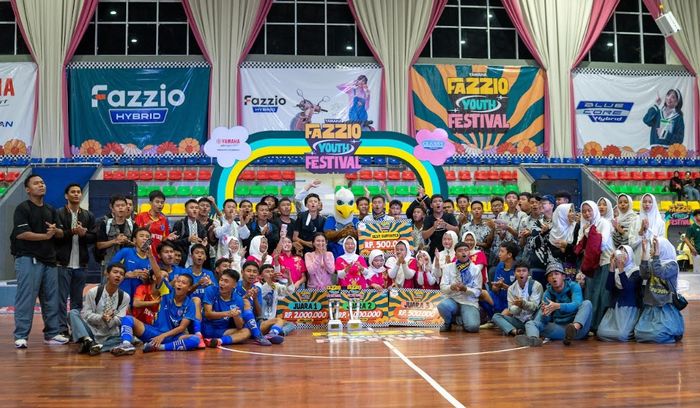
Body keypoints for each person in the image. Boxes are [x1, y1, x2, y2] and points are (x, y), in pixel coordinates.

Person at [11, 175, 67, 348]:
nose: (41, 185)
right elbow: (22, 234)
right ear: (27, 189)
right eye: (36, 183)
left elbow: (61, 233)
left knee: (51, 299)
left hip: (49, 260)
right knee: (26, 298)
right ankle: (21, 336)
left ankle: (52, 334)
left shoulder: (51, 209)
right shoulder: (23, 208)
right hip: (28, 258)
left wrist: (55, 231)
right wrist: (46, 236)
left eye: (42, 182)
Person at [111, 274, 202, 355]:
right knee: (128, 319)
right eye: (178, 281)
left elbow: (182, 328)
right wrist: (152, 259)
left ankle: (158, 347)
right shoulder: (167, 293)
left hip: (172, 337)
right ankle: (126, 345)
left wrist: (163, 336)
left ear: (189, 288)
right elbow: (158, 275)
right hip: (154, 332)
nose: (179, 284)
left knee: (195, 339)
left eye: (183, 283)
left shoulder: (190, 304)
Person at [517, 261, 593, 347]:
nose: (553, 277)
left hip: (579, 329)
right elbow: (545, 321)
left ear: (563, 276)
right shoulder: (547, 293)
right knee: (531, 323)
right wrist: (545, 314)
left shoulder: (574, 286)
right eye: (550, 275)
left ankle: (573, 330)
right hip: (560, 328)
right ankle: (533, 339)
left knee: (587, 303)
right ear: (548, 280)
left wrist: (558, 306)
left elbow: (577, 304)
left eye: (556, 274)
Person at [55, 183, 96, 337]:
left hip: (81, 264)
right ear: (66, 196)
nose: (76, 194)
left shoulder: (88, 215)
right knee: (60, 300)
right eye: (73, 192)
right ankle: (62, 329)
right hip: (62, 264)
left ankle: (76, 330)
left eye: (78, 192)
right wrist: (72, 231)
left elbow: (94, 238)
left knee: (77, 301)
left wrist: (84, 234)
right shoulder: (58, 213)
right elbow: (55, 236)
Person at [69, 263, 130, 355]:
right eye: (115, 272)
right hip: (91, 331)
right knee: (73, 313)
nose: (118, 275)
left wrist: (111, 319)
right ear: (107, 274)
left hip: (110, 335)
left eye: (121, 274)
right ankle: (87, 340)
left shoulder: (125, 296)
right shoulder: (93, 292)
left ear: (123, 278)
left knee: (127, 339)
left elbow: (120, 318)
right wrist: (102, 317)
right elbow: (86, 315)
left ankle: (94, 347)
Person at [634, 237, 685, 343]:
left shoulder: (672, 265)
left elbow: (659, 272)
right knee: (640, 334)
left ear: (662, 249)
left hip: (665, 305)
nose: (651, 249)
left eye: (654, 247)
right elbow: (644, 275)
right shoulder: (654, 262)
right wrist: (644, 254)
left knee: (659, 335)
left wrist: (656, 256)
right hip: (651, 305)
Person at [576, 200, 613, 333]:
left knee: (602, 295)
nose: (587, 214)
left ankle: (599, 326)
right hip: (591, 264)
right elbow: (579, 245)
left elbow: (603, 243)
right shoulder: (584, 226)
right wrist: (586, 233)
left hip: (604, 262)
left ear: (594, 210)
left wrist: (588, 234)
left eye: (589, 210)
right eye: (584, 211)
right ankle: (588, 325)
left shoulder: (603, 223)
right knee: (590, 293)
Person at [597, 245, 642, 342]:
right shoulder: (616, 271)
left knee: (622, 335)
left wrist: (621, 269)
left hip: (629, 308)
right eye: (620, 251)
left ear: (630, 255)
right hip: (614, 308)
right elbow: (609, 287)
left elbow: (628, 288)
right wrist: (612, 267)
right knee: (600, 333)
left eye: (625, 252)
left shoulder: (636, 271)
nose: (621, 254)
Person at [201, 269, 254, 348]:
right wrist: (228, 313)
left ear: (234, 285)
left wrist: (236, 316)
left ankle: (219, 341)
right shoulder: (211, 290)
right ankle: (218, 340)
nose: (222, 283)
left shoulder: (238, 299)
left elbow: (239, 326)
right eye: (221, 280)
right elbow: (208, 314)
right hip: (207, 327)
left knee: (247, 331)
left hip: (223, 330)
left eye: (226, 281)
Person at [235, 262, 285, 344]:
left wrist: (255, 298)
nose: (251, 274)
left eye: (254, 272)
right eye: (248, 271)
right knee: (246, 302)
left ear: (257, 274)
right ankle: (258, 335)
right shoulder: (235, 286)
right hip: (239, 324)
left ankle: (271, 335)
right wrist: (245, 297)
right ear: (242, 272)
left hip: (254, 324)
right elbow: (232, 306)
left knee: (279, 320)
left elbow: (259, 314)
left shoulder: (257, 289)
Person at [437, 242, 483, 333]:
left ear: (469, 253)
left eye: (466, 250)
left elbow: (478, 292)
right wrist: (451, 287)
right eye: (460, 251)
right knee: (442, 305)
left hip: (469, 302)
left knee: (473, 328)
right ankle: (448, 323)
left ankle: (460, 319)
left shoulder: (475, 269)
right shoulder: (448, 267)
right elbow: (442, 288)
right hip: (453, 300)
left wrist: (466, 289)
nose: (463, 252)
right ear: (455, 254)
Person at [491, 261, 543, 337]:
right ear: (514, 273)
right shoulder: (511, 289)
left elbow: (534, 307)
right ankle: (516, 332)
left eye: (524, 271)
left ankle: (531, 333)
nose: (521, 273)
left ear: (528, 273)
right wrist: (518, 306)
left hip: (533, 319)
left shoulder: (536, 285)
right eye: (518, 271)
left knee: (541, 308)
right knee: (496, 316)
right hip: (519, 321)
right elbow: (511, 310)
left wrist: (523, 303)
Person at [110, 227, 154, 302]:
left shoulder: (152, 259)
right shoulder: (125, 252)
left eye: (147, 237)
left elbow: (153, 283)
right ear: (134, 240)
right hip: (121, 296)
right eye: (141, 236)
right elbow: (108, 272)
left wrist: (146, 279)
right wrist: (127, 275)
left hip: (140, 299)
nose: (145, 238)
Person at [94, 195, 134, 272]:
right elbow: (99, 245)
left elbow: (138, 245)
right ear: (112, 209)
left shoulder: (133, 225)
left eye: (123, 205)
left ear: (127, 208)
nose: (120, 208)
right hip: (109, 263)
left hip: (129, 263)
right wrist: (115, 241)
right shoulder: (105, 224)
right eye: (117, 206)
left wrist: (128, 241)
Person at [257, 264, 297, 337]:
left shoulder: (275, 285)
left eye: (272, 271)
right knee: (278, 321)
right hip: (261, 321)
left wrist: (289, 278)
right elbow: (266, 287)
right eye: (267, 272)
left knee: (291, 324)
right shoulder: (258, 286)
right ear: (261, 276)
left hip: (272, 321)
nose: (270, 273)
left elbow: (289, 291)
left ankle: (278, 332)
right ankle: (275, 331)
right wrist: (270, 280)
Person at [628, 193, 665, 264]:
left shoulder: (660, 222)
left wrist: (648, 230)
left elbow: (662, 243)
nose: (647, 204)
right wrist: (641, 231)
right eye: (644, 202)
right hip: (638, 257)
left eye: (650, 202)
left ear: (654, 204)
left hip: (654, 258)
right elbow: (631, 243)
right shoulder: (635, 220)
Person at [134, 190, 173, 257]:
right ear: (150, 202)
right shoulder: (141, 216)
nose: (160, 204)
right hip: (143, 254)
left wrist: (168, 238)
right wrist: (145, 229)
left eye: (162, 202)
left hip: (157, 256)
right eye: (157, 202)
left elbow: (163, 239)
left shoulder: (164, 220)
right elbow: (135, 237)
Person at [171, 199, 208, 267]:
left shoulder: (201, 226)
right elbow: (174, 243)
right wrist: (188, 240)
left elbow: (204, 241)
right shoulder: (180, 224)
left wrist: (204, 244)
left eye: (196, 208)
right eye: (191, 208)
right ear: (186, 210)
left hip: (197, 259)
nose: (194, 210)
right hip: (183, 259)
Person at [490, 241, 520, 315]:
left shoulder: (518, 268)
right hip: (499, 298)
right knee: (481, 293)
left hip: (512, 301)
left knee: (501, 315)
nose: (499, 254)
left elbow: (520, 293)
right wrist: (496, 286)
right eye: (499, 251)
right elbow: (494, 289)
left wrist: (504, 286)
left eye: (502, 251)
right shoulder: (500, 265)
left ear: (509, 255)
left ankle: (496, 317)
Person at [684, 209, 700, 274]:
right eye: (699, 215)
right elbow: (686, 239)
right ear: (695, 217)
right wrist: (692, 248)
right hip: (697, 253)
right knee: (697, 272)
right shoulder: (692, 227)